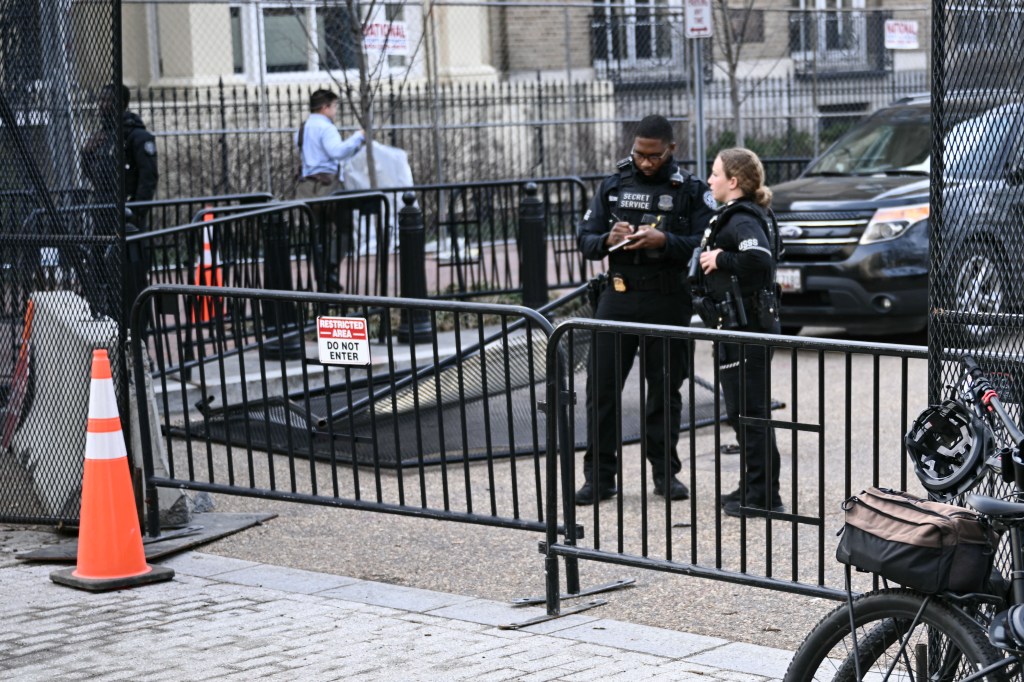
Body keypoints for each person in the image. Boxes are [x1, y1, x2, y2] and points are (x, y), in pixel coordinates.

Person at [575, 114, 716, 505]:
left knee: (665, 392)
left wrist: (664, 239)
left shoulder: (691, 190)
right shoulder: (614, 185)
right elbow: (584, 241)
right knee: (600, 390)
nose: (645, 163)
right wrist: (608, 238)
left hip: (668, 299)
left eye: (654, 156)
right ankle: (600, 478)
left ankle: (664, 474)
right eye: (639, 154)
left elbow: (705, 244)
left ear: (671, 150)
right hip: (617, 297)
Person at [695, 147, 784, 517]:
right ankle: (752, 485)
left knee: (750, 412)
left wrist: (721, 259)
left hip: (746, 329)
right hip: (738, 327)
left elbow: (759, 258)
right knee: (743, 411)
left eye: (715, 174)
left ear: (733, 182)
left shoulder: (742, 218)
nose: (710, 180)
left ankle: (764, 495)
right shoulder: (744, 215)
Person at [293, 89, 365, 293]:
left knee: (320, 234)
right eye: (334, 106)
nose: (335, 111)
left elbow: (300, 149)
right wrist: (357, 138)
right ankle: (329, 269)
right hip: (328, 186)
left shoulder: (303, 128)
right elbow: (337, 152)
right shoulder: (326, 128)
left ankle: (322, 277)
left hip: (307, 188)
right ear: (325, 107)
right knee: (345, 231)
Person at [82, 84, 159, 227]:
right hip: (103, 212)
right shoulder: (103, 136)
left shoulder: (138, 137)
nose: (101, 105)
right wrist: (86, 153)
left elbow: (148, 177)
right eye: (100, 100)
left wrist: (136, 212)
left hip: (127, 213)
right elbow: (94, 175)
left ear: (121, 103)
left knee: (130, 249)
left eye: (106, 100)